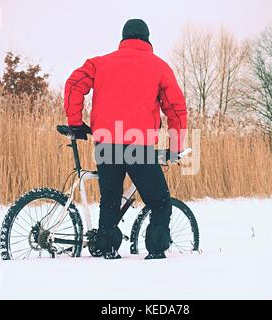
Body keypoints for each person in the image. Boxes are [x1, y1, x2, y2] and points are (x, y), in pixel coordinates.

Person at [64, 19, 187, 260]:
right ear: (147, 39)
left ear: (123, 38)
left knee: (109, 200)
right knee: (159, 201)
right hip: (137, 145)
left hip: (106, 143)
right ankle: (156, 251)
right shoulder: (159, 66)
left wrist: (75, 122)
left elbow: (74, 84)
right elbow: (176, 109)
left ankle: (108, 248)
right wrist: (175, 148)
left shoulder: (100, 63)